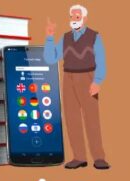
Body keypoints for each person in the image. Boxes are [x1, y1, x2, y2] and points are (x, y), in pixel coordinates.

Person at [44, 4, 109, 169]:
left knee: (91, 119)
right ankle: (79, 157)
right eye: (72, 16)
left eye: (77, 16)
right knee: (72, 119)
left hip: (88, 77)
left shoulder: (94, 36)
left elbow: (101, 60)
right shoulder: (65, 37)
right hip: (68, 77)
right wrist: (50, 37)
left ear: (85, 18)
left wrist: (97, 81)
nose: (74, 19)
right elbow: (51, 58)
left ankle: (99, 157)